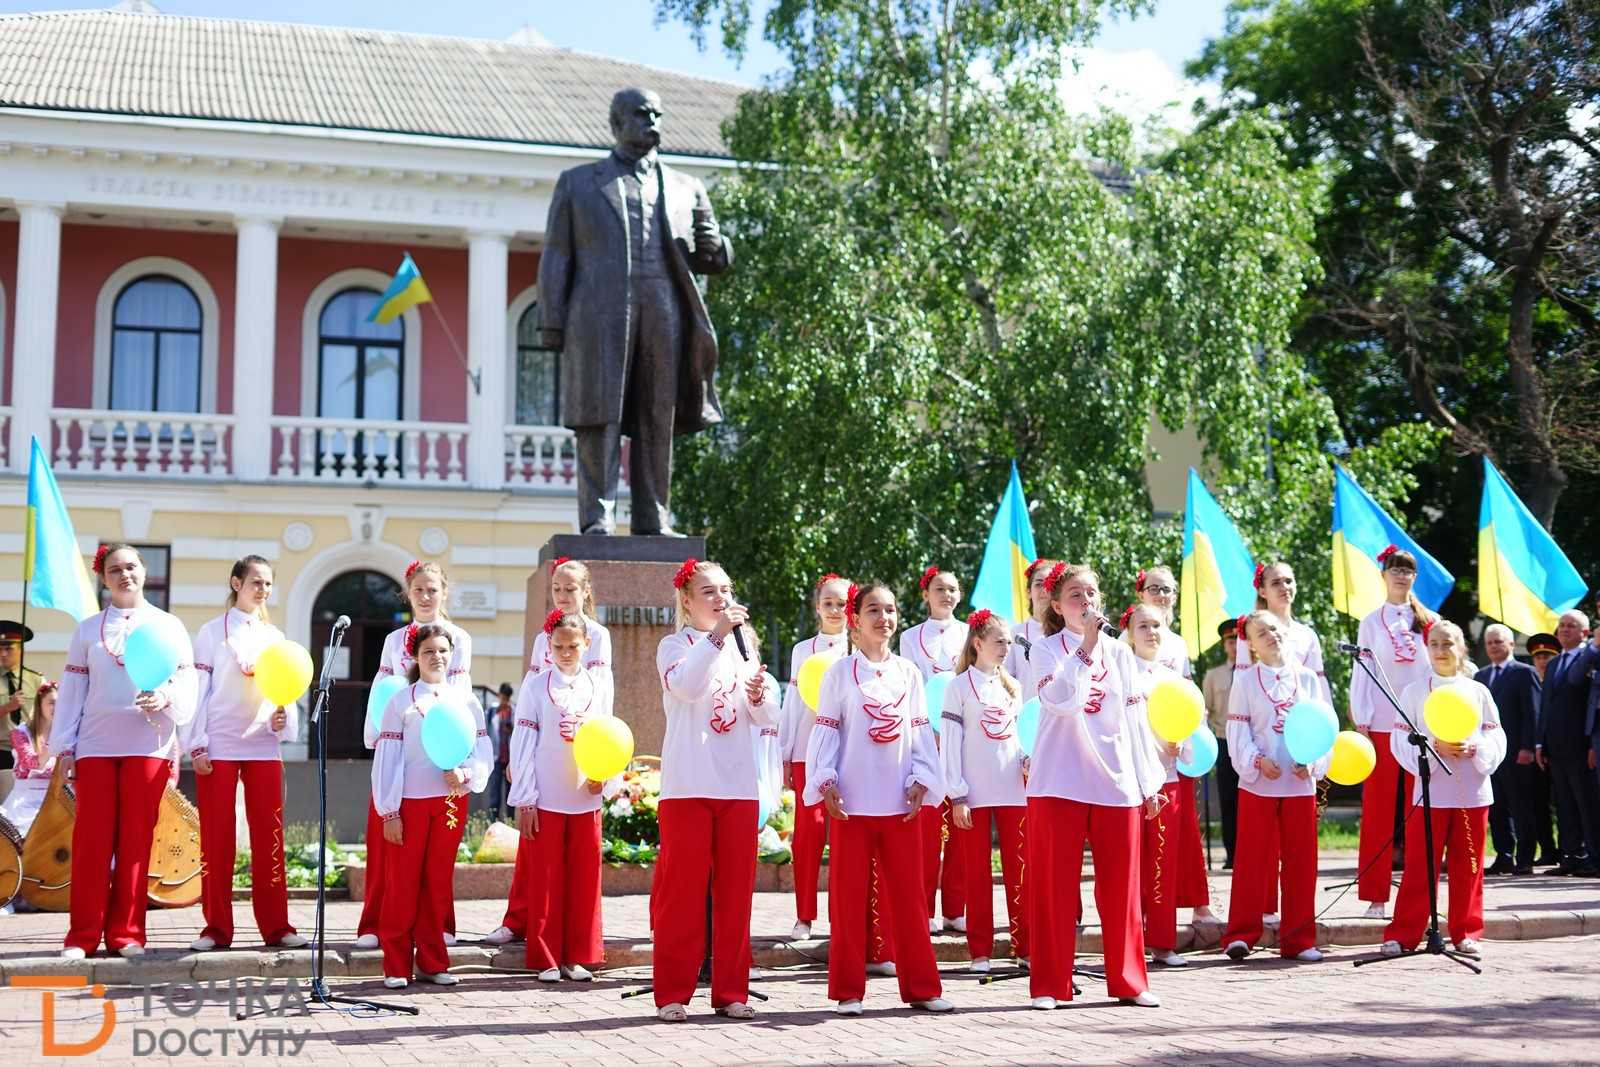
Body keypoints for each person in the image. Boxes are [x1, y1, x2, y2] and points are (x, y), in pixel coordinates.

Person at [536, 88, 733, 536]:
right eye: (642, 114)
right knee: (599, 416)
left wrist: (718, 248)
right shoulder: (579, 182)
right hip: (598, 316)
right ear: (617, 122)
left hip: (665, 309)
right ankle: (597, 517)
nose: (653, 122)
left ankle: (653, 517)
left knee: (656, 415)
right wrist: (551, 319)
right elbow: (556, 255)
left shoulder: (687, 186)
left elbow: (712, 257)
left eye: (658, 114)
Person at [806, 581, 951, 1016]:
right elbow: (827, 730)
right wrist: (826, 781)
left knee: (910, 900)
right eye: (874, 610)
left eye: (890, 610)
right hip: (851, 805)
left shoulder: (908, 673)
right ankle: (849, 991)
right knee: (848, 899)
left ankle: (923, 988)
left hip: (899, 805)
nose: (884, 618)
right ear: (855, 620)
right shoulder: (838, 673)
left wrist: (923, 778)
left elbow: (920, 731)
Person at [1027, 563, 1166, 1010]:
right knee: (1054, 889)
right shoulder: (1044, 650)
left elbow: (1134, 719)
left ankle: (1129, 980)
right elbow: (1060, 701)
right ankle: (1049, 985)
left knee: (1121, 888)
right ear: (1055, 604)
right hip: (1059, 781)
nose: (1086, 602)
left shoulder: (1122, 653)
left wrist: (1148, 782)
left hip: (1115, 781)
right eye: (1074, 595)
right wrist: (1085, 647)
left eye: (1091, 593)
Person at [52, 543, 198, 959]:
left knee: (135, 842)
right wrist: (65, 747)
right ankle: (81, 936)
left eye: (130, 566)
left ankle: (127, 934)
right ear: (104, 578)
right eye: (115, 569)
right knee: (92, 841)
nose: (124, 575)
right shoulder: (87, 629)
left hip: (148, 745)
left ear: (144, 570)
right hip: (95, 745)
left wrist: (165, 698)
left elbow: (185, 683)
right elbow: (74, 692)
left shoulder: (169, 625)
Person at [651, 558, 778, 1022]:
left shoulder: (743, 651)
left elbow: (768, 721)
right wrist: (718, 635)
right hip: (688, 785)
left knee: (735, 894)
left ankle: (731, 992)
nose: (721, 598)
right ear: (686, 600)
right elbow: (685, 688)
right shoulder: (673, 646)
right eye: (709, 591)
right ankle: (673, 993)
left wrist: (763, 696)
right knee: (681, 893)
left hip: (738, 785)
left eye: (725, 589)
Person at [488, 557, 613, 947]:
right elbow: (533, 692)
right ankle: (519, 919)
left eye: (570, 588)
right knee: (534, 845)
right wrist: (520, 760)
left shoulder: (598, 636)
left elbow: (602, 699)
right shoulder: (546, 637)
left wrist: (600, 758)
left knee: (577, 856)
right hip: (544, 752)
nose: (563, 595)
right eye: (557, 588)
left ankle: (573, 937)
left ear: (586, 591)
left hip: (581, 750)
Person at [185, 556, 306, 952]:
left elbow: (283, 690)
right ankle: (216, 929)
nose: (263, 589)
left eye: (268, 583)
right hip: (219, 743)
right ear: (236, 583)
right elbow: (199, 691)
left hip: (262, 747)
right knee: (216, 839)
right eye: (256, 581)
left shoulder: (275, 636)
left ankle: (277, 927)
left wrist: (282, 719)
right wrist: (197, 743)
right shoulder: (210, 633)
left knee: (269, 837)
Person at [371, 624, 491, 988]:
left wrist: (466, 774)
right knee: (403, 883)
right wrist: (389, 811)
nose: (436, 657)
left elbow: (481, 751)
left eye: (442, 650)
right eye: (428, 652)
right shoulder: (400, 702)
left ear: (451, 654)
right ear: (415, 657)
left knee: (437, 883)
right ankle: (395, 965)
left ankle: (433, 961)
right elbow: (388, 759)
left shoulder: (466, 701)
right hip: (409, 805)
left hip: (450, 803)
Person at [1381, 620, 1506, 957]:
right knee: (1420, 866)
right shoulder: (1414, 692)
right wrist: (1434, 748)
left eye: (1447, 643)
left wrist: (1475, 747)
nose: (1440, 650)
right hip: (1431, 792)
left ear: (1460, 647)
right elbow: (1399, 740)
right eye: (1434, 643)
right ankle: (1404, 933)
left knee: (1469, 864)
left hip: (1471, 792)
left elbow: (1495, 735)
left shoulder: (1478, 691)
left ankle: (1466, 932)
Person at [508, 610, 616, 981]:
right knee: (547, 877)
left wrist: (604, 776)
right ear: (548, 647)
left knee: (584, 879)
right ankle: (547, 956)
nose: (566, 652)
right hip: (547, 794)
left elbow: (609, 736)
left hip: (585, 795)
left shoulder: (598, 686)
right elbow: (523, 742)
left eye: (573, 645)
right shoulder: (536, 686)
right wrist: (525, 797)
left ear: (587, 644)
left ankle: (578, 955)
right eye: (558, 646)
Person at [1222, 610, 1329, 964]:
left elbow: (1322, 725)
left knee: (1301, 862)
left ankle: (1299, 939)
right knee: (1252, 859)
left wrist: (1311, 761)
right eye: (1260, 632)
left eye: (1273, 628)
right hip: (1260, 784)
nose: (1270, 635)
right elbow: (1239, 729)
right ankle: (1240, 934)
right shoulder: (1246, 680)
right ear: (1250, 644)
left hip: (1298, 784)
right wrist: (1255, 760)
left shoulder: (1308, 678)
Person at [1349, 546, 1435, 919]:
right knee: (1379, 811)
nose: (1401, 575)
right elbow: (1363, 672)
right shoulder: (1370, 621)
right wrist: (1363, 720)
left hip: (1422, 727)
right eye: (1395, 569)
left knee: (1421, 810)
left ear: (1415, 577)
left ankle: (1421, 897)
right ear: (1383, 575)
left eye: (1408, 570)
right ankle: (1376, 896)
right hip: (1383, 725)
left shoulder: (1430, 620)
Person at [941, 608, 1028, 975]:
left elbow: (1024, 736)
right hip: (973, 792)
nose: (1006, 647)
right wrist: (957, 793)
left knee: (1020, 871)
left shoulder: (1014, 686)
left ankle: (1026, 946)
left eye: (1008, 641)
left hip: (1013, 791)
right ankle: (979, 952)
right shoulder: (957, 687)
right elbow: (950, 742)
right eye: (998, 641)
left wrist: (1027, 759)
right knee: (976, 874)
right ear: (978, 643)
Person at [1131, 567, 1217, 923]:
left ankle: (1197, 903)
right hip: (1141, 746)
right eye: (1154, 588)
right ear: (1141, 594)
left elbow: (1186, 694)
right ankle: (1143, 910)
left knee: (1184, 829)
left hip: (1175, 747)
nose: (1161, 595)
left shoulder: (1178, 643)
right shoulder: (1130, 637)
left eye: (1167, 589)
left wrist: (1187, 730)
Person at [778, 572, 851, 940]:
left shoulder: (859, 648)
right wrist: (787, 754)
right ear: (817, 607)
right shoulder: (802, 650)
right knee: (808, 836)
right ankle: (804, 915)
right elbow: (792, 704)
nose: (836, 610)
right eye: (828, 603)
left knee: (845, 837)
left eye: (842, 603)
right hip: (809, 749)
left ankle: (844, 916)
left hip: (851, 755)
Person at [1124, 603, 1195, 967]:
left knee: (1163, 864)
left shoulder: (1174, 678)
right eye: (1143, 626)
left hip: (1167, 781)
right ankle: (1130, 943)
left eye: (1157, 626)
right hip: (1129, 784)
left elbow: (1189, 722)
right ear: (1130, 633)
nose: (1151, 632)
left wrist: (1182, 744)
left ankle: (1163, 942)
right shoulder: (1120, 672)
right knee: (1130, 866)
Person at [898, 565, 967, 936]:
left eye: (953, 589)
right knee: (927, 828)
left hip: (963, 737)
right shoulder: (909, 637)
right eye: (940, 588)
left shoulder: (971, 634)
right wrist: (929, 732)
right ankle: (923, 909)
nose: (947, 595)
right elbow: (912, 686)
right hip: (925, 738)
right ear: (926, 593)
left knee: (960, 825)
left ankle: (956, 909)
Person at [1534, 610, 1600, 877]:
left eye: (1571, 625)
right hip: (1556, 748)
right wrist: (1540, 743)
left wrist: (1592, 744)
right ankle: (1571, 857)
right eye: (1561, 625)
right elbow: (1545, 707)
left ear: (1585, 632)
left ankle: (1594, 858)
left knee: (1587, 804)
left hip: (1582, 746)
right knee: (1564, 805)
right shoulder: (1554, 664)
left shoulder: (1592, 658)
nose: (1564, 629)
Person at [1477, 624, 1541, 875]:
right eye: (1489, 642)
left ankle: (1525, 858)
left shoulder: (1524, 673)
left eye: (1498, 642)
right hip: (1490, 755)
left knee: (1522, 806)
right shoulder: (1481, 677)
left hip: (1517, 753)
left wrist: (1527, 746)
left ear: (1511, 645)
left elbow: (1532, 712)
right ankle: (1503, 855)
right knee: (1497, 808)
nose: (1493, 646)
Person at [1202, 618, 1241, 868]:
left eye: (1239, 639)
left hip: (1257, 745)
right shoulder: (1213, 676)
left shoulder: (1257, 671)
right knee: (1229, 800)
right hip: (1225, 742)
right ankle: (1232, 854)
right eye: (1230, 640)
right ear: (1224, 644)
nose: (1235, 645)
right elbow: (1205, 711)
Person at [0, 680, 57, 837]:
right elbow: (31, 763)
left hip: (58, 797)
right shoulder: (21, 733)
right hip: (26, 799)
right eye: (51, 703)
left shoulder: (70, 733)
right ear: (40, 705)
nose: (57, 708)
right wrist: (53, 747)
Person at [1526, 632, 1563, 866]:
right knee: (1538, 803)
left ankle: (1569, 848)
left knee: (1563, 804)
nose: (1543, 661)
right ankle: (1548, 849)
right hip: (1535, 753)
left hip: (1559, 751)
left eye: (1548, 656)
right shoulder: (1529, 680)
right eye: (1538, 656)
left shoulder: (1561, 679)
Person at [1004, 559, 1057, 701]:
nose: (1044, 590)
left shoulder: (1069, 631)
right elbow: (1005, 679)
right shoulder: (1013, 634)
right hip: (1026, 716)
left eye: (1050, 584)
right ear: (1029, 592)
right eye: (1039, 584)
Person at [0, 620, 45, 772]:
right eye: (0, 649)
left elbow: (46, 716)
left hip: (29, 750)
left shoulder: (36, 680)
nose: (3, 654)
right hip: (1, 750)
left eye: (8, 649)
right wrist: (8, 707)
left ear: (21, 650)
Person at [488, 683, 515, 821]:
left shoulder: (514, 711)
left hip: (510, 759)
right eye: (503, 698)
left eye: (507, 698)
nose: (504, 701)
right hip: (496, 758)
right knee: (495, 792)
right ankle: (493, 821)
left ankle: (510, 821)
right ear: (499, 696)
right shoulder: (492, 711)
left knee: (510, 793)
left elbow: (517, 734)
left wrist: (510, 728)